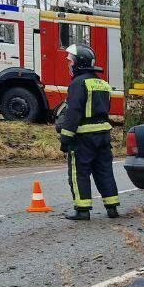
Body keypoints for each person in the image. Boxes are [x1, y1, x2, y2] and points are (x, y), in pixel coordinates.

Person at [55, 43, 119, 221]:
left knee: (79, 172)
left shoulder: (78, 83)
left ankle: (82, 210)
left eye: (71, 61)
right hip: (103, 136)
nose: (69, 64)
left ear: (79, 63)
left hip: (83, 137)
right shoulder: (103, 84)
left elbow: (73, 112)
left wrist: (65, 139)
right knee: (104, 171)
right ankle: (112, 207)